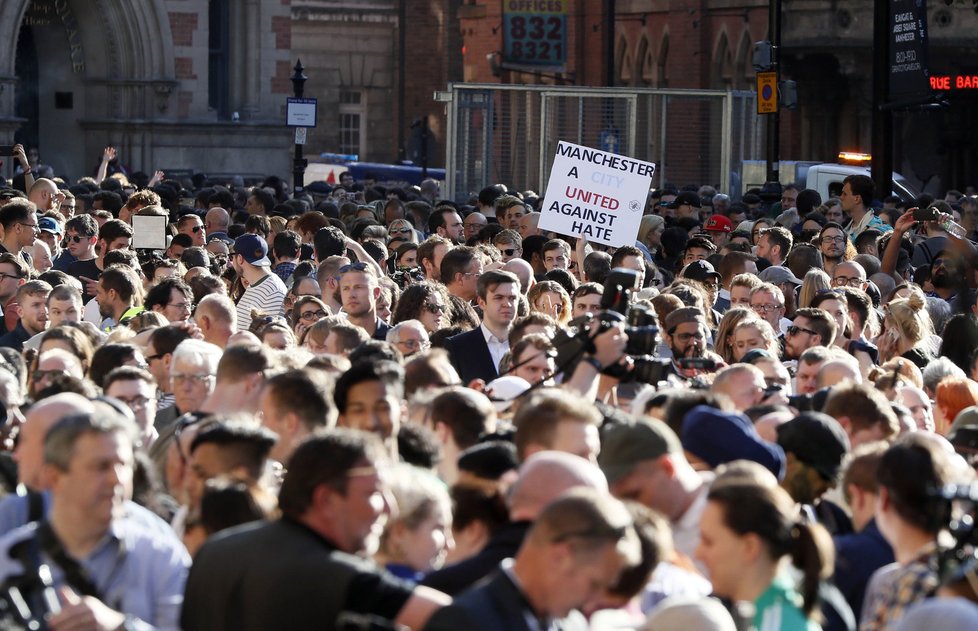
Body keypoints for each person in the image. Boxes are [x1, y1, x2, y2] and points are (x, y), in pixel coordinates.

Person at [181, 428, 450, 631]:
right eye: (374, 493)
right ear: (325, 499)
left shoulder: (214, 551)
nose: (388, 509)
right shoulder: (338, 575)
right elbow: (456, 618)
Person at [0, 412, 190, 630]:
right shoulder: (9, 558)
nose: (117, 479)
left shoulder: (161, 555)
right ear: (54, 477)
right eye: (101, 467)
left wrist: (121, 626)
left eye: (124, 465)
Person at [424, 487, 640, 631]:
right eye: (595, 584)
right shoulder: (463, 622)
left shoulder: (572, 624)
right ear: (560, 556)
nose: (596, 600)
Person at [697, 476, 835, 631]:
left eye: (708, 541)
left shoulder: (779, 624)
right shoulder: (757, 612)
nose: (698, 553)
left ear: (750, 547)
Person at [445, 270, 520, 385]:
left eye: (512, 298)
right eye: (499, 298)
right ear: (481, 302)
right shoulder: (457, 346)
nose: (507, 304)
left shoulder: (528, 343)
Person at [231, 233, 287, 331]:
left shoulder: (274, 292)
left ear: (240, 259)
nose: (232, 262)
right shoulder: (256, 284)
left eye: (232, 256)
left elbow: (271, 337)